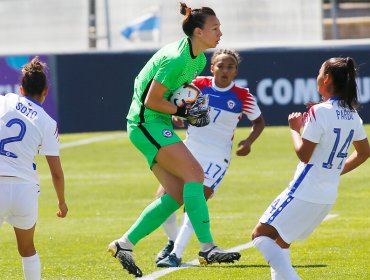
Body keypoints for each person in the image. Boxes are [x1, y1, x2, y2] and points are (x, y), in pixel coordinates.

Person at [107, 3, 241, 278]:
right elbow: (151, 100)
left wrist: (178, 108)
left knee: (177, 194)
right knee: (195, 174)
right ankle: (207, 247)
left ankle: (124, 244)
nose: (220, 33)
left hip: (157, 122)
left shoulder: (199, 60)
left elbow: (165, 97)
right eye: (215, 28)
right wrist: (183, 111)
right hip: (145, 123)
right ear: (198, 31)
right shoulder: (177, 58)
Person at [251, 57, 370, 280]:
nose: (317, 76)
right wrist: (336, 170)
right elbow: (364, 152)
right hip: (326, 196)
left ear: (326, 79)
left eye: (319, 72)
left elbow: (304, 155)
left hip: (303, 191)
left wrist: (294, 129)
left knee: (260, 235)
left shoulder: (319, 111)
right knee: (281, 242)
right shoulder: (353, 115)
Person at [155, 49, 265, 267]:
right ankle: (172, 242)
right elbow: (172, 101)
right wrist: (175, 114)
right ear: (212, 66)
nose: (225, 70)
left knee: (193, 204)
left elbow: (259, 122)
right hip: (188, 149)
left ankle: (175, 254)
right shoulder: (197, 85)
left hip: (217, 157)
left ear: (235, 71)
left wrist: (249, 142)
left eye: (230, 67)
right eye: (221, 65)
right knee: (163, 199)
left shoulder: (243, 96)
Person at [0, 57, 68, 280]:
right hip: (25, 190)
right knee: (27, 249)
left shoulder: (7, 100)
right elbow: (56, 173)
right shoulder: (48, 123)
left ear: (21, 88)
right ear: (46, 91)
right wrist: (61, 202)